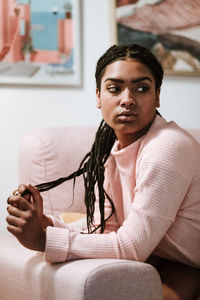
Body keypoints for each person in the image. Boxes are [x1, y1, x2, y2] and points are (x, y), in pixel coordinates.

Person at [7, 44, 200, 299]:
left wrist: (44, 240)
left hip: (187, 267)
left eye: (141, 88)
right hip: (170, 262)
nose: (128, 99)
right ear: (98, 96)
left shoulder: (168, 146)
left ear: (157, 96)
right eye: (114, 88)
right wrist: (46, 224)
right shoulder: (111, 151)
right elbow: (105, 230)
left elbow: (131, 248)